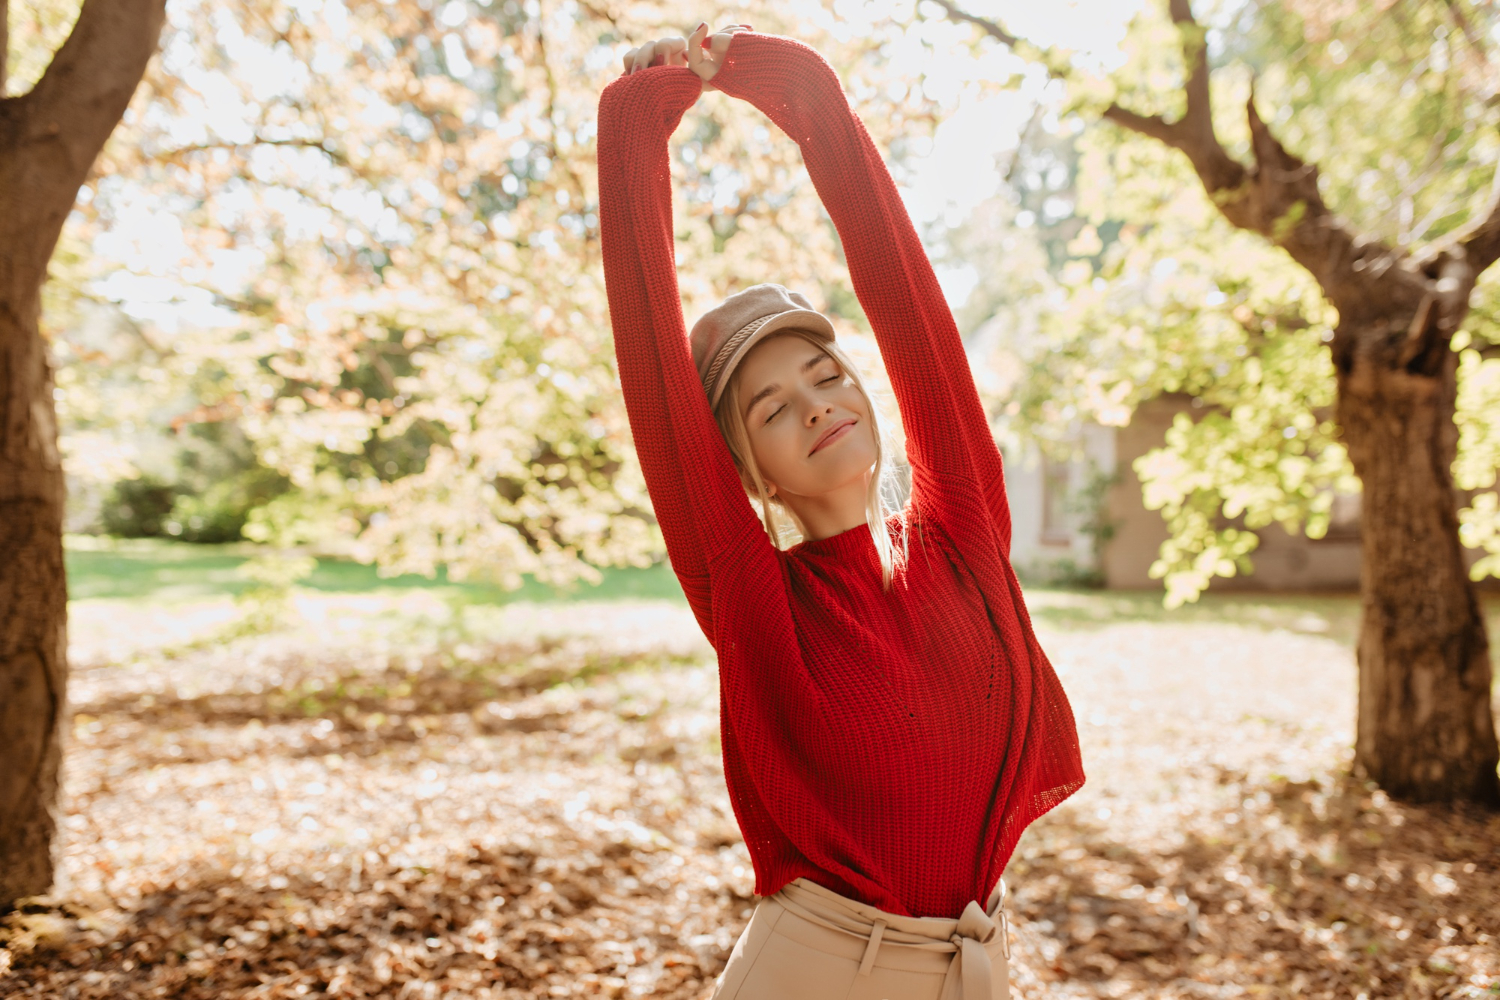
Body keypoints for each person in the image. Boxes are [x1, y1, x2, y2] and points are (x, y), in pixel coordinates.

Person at [596, 21, 1085, 1000]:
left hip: (976, 966)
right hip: (820, 974)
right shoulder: (760, 600)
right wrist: (636, 129)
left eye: (826, 376)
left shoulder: (963, 537)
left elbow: (907, 305)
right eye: (773, 409)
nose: (818, 405)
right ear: (753, 474)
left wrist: (802, 94)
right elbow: (653, 361)